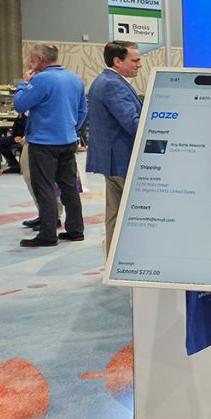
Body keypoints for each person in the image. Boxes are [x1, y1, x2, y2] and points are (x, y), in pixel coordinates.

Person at [14, 44, 87, 249]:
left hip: (43, 143)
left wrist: (24, 84)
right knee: (69, 187)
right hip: (68, 141)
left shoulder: (40, 80)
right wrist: (71, 129)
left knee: (44, 187)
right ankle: (76, 230)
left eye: (31, 59)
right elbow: (83, 110)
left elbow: (20, 104)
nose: (29, 62)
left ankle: (47, 234)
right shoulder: (75, 78)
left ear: (39, 59)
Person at [86, 41, 143, 258]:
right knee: (122, 216)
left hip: (115, 160)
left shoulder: (105, 81)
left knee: (116, 213)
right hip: (121, 160)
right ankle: (119, 260)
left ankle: (114, 259)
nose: (139, 64)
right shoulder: (113, 85)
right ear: (117, 61)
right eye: (135, 60)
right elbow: (133, 124)